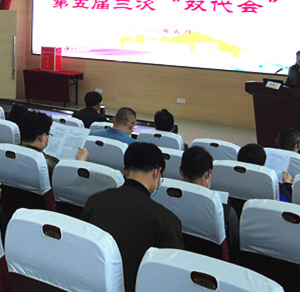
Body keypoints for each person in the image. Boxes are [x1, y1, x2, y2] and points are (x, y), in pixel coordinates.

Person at [82, 142, 183, 292]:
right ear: (157, 173)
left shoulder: (94, 201)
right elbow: (172, 277)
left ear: (124, 171)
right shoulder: (166, 221)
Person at [179, 146, 239, 251]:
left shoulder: (163, 198)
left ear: (180, 171)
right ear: (207, 174)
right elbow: (234, 245)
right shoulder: (225, 211)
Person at [19, 110, 88, 175]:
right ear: (42, 138)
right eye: (48, 135)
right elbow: (71, 179)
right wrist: (81, 162)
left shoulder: (16, 152)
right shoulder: (52, 164)